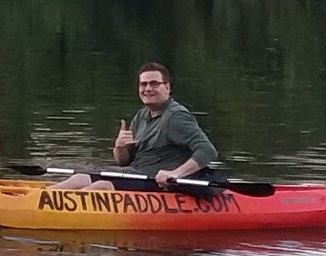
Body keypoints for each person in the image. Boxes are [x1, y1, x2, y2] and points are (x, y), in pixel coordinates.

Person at [57, 62, 220, 195]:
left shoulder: (176, 117)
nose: (148, 88)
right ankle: (38, 200)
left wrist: (175, 174)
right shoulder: (142, 116)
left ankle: (56, 213)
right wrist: (119, 147)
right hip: (139, 176)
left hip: (161, 184)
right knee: (79, 178)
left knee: (102, 187)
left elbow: (207, 150)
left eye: (154, 83)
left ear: (167, 88)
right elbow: (123, 161)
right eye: (143, 84)